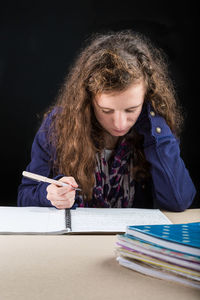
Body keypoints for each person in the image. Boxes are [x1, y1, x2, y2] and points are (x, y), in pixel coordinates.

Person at [18, 30, 196, 211]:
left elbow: (179, 201)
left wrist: (158, 134)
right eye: (106, 110)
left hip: (131, 238)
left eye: (131, 110)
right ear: (88, 99)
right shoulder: (58, 126)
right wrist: (49, 194)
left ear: (147, 98)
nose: (119, 124)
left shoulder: (155, 129)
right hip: (74, 239)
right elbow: (25, 195)